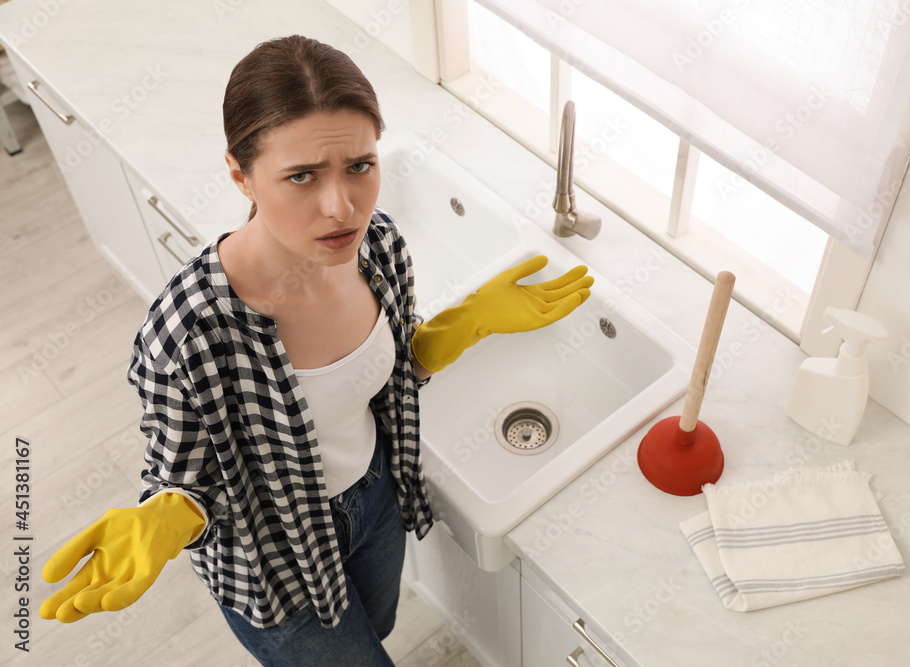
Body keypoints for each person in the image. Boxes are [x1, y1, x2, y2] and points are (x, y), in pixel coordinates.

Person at [37, 35, 593, 666]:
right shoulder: (189, 330)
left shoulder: (378, 246)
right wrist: (169, 515)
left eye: (359, 165)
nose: (341, 207)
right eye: (301, 176)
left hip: (379, 500)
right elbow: (185, 473)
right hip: (276, 563)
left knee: (374, 629)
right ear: (239, 173)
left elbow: (382, 381)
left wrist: (454, 332)